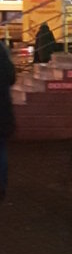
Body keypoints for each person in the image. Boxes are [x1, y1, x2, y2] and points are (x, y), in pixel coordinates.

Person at [0, 41, 15, 201]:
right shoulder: (3, 52)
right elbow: (11, 78)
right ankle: (1, 186)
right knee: (2, 150)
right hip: (3, 112)